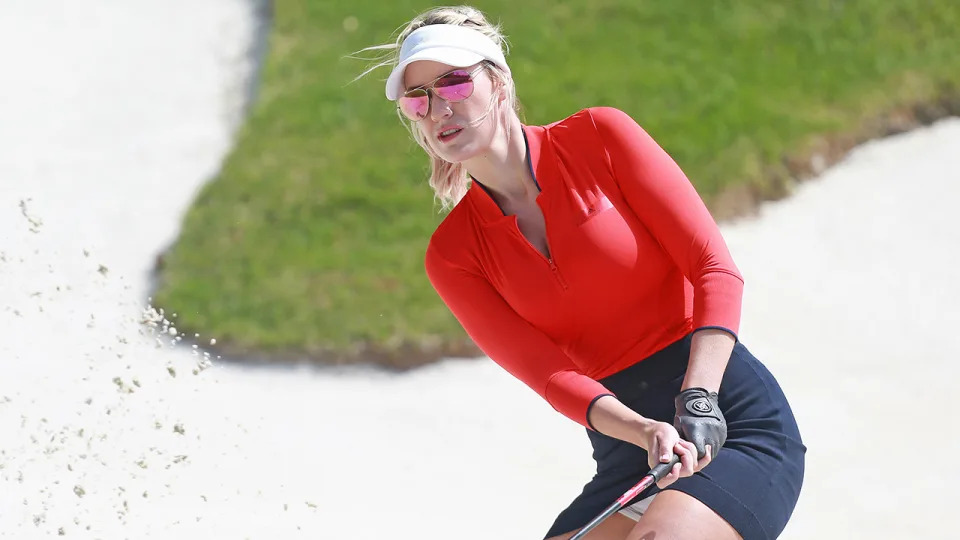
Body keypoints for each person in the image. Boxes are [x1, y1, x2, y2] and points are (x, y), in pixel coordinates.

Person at [363, 6, 805, 540]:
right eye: (419, 98)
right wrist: (643, 432)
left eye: (454, 83)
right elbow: (550, 376)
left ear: (498, 82)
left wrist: (698, 399)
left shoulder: (600, 137)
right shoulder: (452, 254)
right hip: (629, 448)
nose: (437, 109)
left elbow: (714, 269)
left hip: (728, 420)